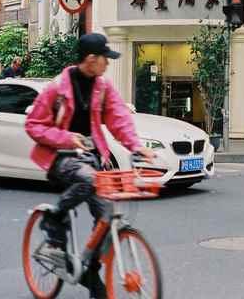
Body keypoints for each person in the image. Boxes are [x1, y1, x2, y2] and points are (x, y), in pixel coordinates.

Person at [24, 33, 155, 298]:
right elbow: (33, 125)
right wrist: (66, 138)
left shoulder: (102, 87)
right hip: (60, 157)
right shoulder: (56, 88)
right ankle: (54, 217)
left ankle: (90, 273)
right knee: (89, 179)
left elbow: (119, 119)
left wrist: (137, 146)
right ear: (91, 59)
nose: (108, 64)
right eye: (105, 59)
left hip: (92, 160)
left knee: (107, 216)